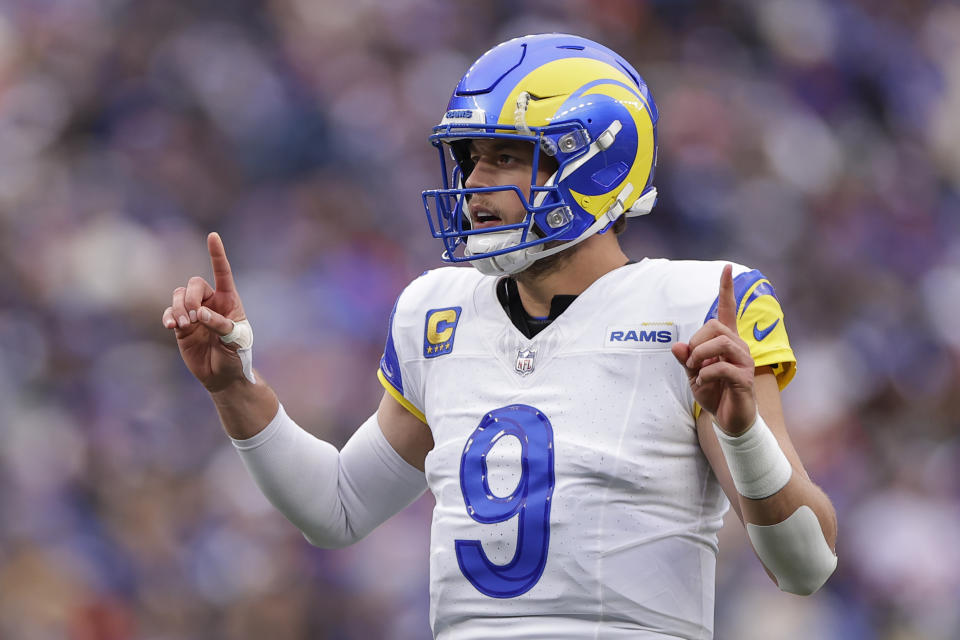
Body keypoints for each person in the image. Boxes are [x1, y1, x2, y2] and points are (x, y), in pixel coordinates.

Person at [162, 34, 837, 639]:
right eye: (472, 158)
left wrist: (744, 432)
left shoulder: (695, 306)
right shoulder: (437, 312)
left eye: (509, 158)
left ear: (597, 164)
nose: (476, 186)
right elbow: (337, 510)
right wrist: (233, 387)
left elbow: (805, 565)